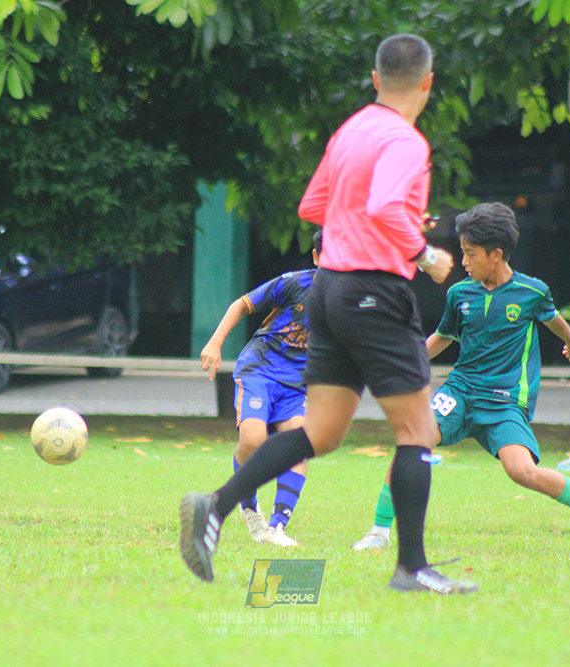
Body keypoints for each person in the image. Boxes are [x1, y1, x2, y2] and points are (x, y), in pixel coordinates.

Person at [179, 34, 477, 594]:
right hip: (375, 290)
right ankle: (412, 568)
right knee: (419, 430)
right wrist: (427, 253)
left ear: (374, 78)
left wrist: (366, 224)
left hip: (330, 290)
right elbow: (387, 207)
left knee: (322, 432)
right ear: (428, 83)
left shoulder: (351, 130)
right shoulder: (406, 141)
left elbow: (313, 207)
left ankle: (214, 508)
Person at [352, 202, 570, 553]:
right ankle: (380, 532)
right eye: (462, 252)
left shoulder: (532, 292)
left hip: (504, 399)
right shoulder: (460, 294)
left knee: (521, 472)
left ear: (496, 255)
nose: (463, 261)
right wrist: (401, 364)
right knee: (413, 440)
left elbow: (553, 319)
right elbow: (443, 338)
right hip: (461, 390)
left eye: (470, 253)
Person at [198, 232, 321, 547]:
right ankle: (250, 508)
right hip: (260, 369)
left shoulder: (350, 300)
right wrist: (215, 342)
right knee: (253, 440)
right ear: (317, 257)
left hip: (298, 382)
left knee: (300, 440)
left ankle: (277, 526)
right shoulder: (294, 283)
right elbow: (242, 304)